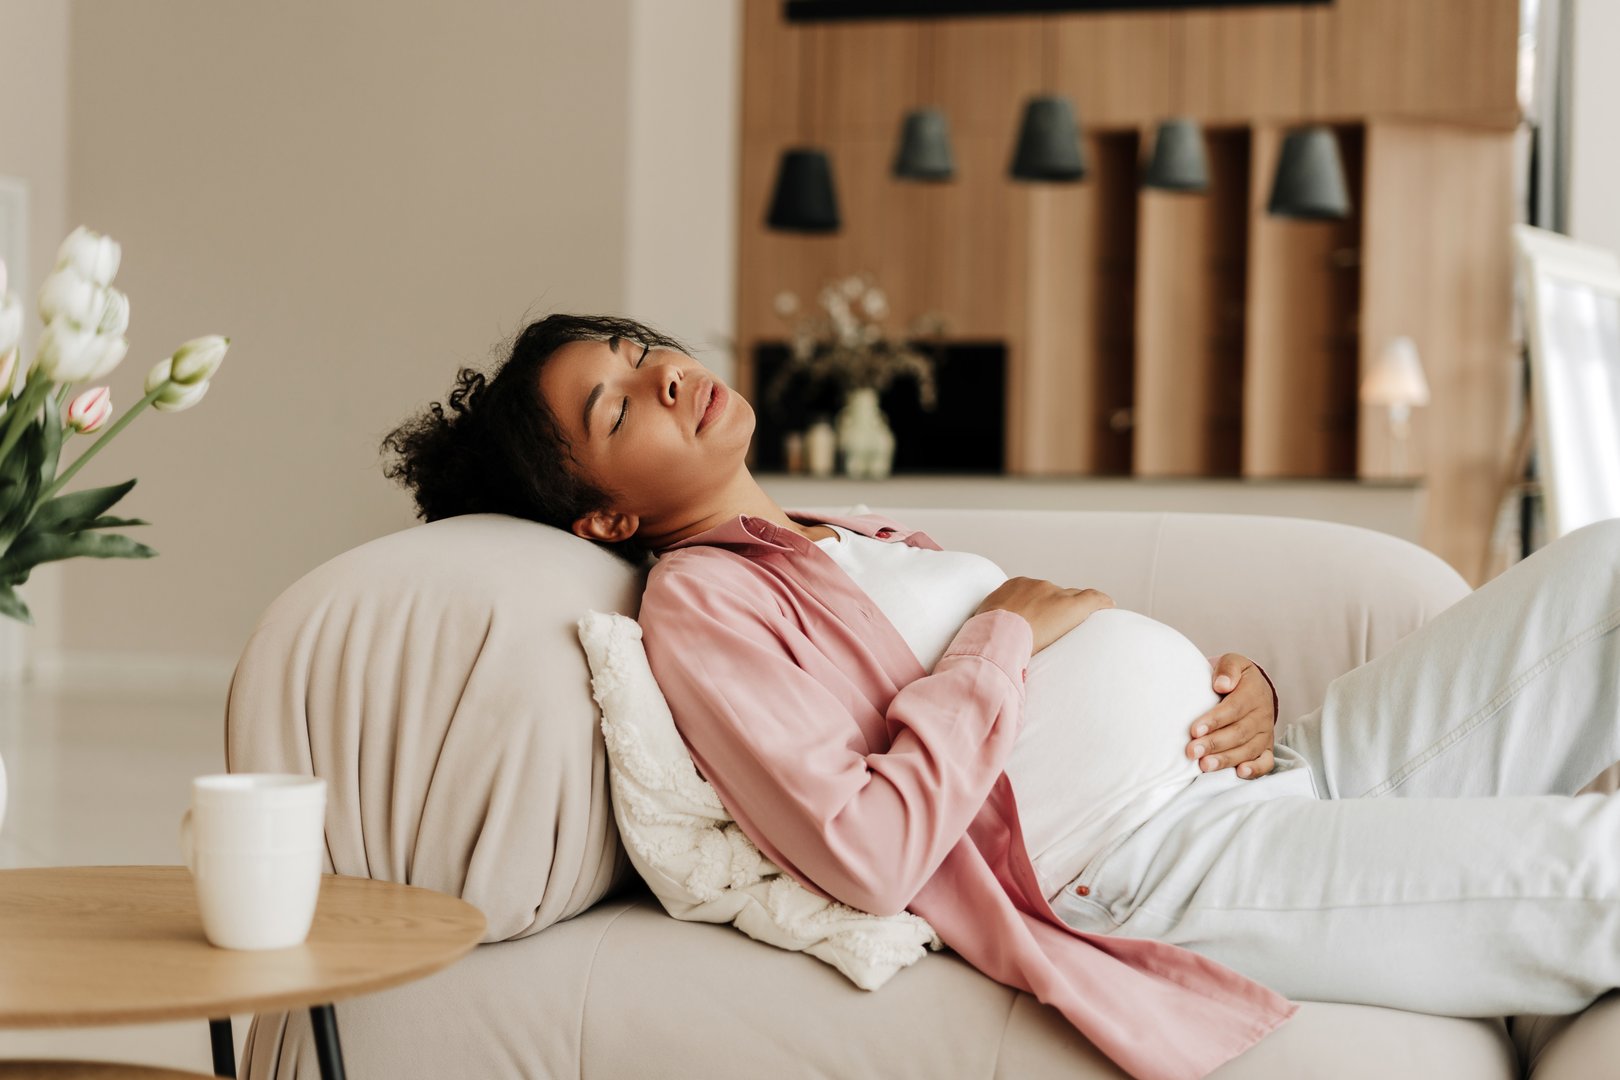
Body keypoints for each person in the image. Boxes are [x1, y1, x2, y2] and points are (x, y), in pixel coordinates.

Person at [382, 313, 1620, 1080]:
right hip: (1157, 859)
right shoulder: (703, 607)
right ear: (606, 514)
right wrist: (997, 636)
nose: (663, 377)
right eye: (616, 403)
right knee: (1602, 869)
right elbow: (867, 851)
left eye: (644, 351)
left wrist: (1237, 683)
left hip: (1265, 762)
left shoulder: (834, 531)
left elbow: (1051, 662)